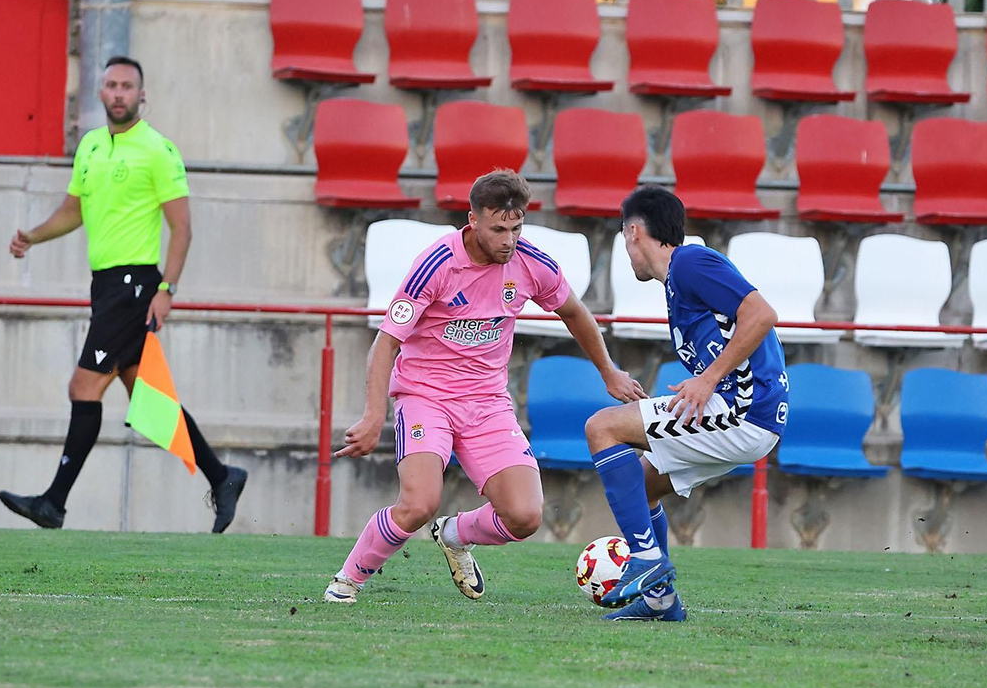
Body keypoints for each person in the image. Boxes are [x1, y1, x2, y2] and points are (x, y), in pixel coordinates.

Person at [324, 169, 644, 604]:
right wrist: (373, 414)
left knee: (525, 515)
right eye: (498, 229)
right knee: (418, 503)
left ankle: (455, 535)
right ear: (472, 220)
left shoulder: (532, 263)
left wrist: (609, 372)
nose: (509, 240)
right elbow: (386, 342)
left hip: (488, 402)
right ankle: (348, 580)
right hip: (425, 398)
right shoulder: (435, 264)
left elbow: (575, 312)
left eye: (516, 228)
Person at [0, 56, 248, 531]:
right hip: (106, 286)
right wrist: (33, 235)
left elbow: (182, 229)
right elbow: (74, 212)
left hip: (135, 286)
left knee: (83, 386)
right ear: (100, 93)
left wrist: (167, 289)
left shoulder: (157, 150)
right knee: (149, 403)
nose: (118, 93)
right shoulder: (90, 147)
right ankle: (222, 477)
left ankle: (53, 503)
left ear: (141, 94)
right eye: (110, 85)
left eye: (127, 86)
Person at [582, 186, 789, 622]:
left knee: (602, 428)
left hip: (745, 409)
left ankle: (645, 560)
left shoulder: (692, 261)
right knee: (643, 483)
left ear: (635, 232)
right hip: (745, 411)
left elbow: (763, 314)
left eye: (624, 239)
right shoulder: (679, 281)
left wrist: (708, 380)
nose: (627, 249)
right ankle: (660, 601)